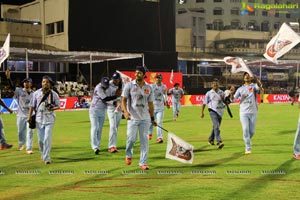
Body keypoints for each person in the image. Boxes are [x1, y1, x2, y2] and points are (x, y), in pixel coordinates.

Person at [121, 66, 156, 170]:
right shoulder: (129, 85)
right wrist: (126, 112)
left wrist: (152, 118)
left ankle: (143, 162)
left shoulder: (149, 88)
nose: (137, 74)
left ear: (144, 74)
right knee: (131, 139)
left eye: (139, 73)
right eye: (136, 73)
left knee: (144, 141)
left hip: (145, 119)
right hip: (133, 118)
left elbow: (150, 104)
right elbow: (123, 100)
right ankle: (128, 154)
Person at [27, 75, 60, 164]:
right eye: (43, 82)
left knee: (47, 139)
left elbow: (58, 106)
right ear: (41, 83)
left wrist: (52, 108)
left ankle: (47, 158)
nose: (45, 83)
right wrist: (29, 116)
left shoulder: (54, 94)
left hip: (49, 119)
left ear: (50, 84)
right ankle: (43, 154)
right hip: (38, 119)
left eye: (47, 82)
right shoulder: (36, 93)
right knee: (40, 140)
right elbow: (32, 106)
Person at [89, 76, 121, 155]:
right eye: (104, 85)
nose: (105, 87)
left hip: (102, 110)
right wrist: (116, 97)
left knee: (99, 129)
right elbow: (105, 99)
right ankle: (94, 146)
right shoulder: (99, 87)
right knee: (94, 127)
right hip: (94, 110)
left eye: (106, 85)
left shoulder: (107, 86)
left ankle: (98, 145)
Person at [6, 70, 34, 154]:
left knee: (30, 131)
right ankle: (21, 144)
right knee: (20, 131)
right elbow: (12, 87)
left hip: (31, 115)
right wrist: (8, 78)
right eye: (25, 82)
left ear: (31, 84)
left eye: (28, 82)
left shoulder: (34, 93)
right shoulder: (19, 91)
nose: (26, 83)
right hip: (21, 115)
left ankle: (29, 148)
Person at [233, 72, 262, 155]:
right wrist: (231, 94)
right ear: (243, 78)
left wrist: (256, 80)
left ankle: (247, 139)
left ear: (250, 78)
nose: (246, 77)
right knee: (245, 130)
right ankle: (248, 147)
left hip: (253, 112)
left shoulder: (253, 86)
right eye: (245, 76)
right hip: (243, 112)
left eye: (248, 76)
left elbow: (259, 86)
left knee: (251, 132)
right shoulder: (240, 89)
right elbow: (233, 99)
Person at [201, 79, 231, 149]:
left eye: (216, 83)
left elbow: (226, 101)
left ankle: (210, 139)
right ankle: (219, 141)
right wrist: (202, 112)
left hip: (220, 111)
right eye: (213, 83)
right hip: (212, 110)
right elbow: (204, 103)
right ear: (211, 85)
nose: (215, 84)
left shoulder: (221, 92)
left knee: (215, 127)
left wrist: (228, 99)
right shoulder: (209, 93)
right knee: (216, 126)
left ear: (218, 84)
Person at [148, 73, 169, 143]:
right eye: (157, 78)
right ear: (155, 79)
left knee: (159, 122)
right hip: (152, 108)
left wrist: (167, 102)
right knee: (151, 122)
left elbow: (165, 95)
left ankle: (159, 137)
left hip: (160, 108)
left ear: (161, 79)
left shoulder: (164, 86)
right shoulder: (152, 86)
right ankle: (149, 133)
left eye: (159, 78)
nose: (158, 79)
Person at [107, 72, 123, 153]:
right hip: (111, 108)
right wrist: (114, 103)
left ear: (119, 79)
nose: (115, 81)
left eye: (116, 80)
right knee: (113, 127)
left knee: (115, 128)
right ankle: (111, 146)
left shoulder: (122, 85)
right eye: (114, 79)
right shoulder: (108, 85)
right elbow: (105, 99)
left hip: (119, 108)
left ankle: (114, 145)